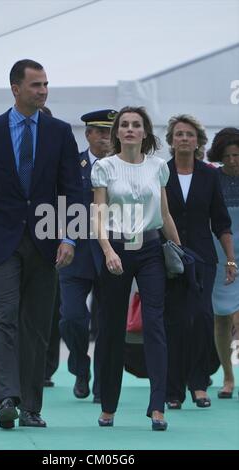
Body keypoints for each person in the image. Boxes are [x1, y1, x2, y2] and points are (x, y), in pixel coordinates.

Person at [0, 59, 83, 429]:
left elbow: (71, 189)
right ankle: (7, 398)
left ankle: (31, 406)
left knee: (37, 325)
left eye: (46, 84)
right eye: (36, 85)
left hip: (46, 243)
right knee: (4, 319)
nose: (43, 91)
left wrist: (70, 236)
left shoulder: (59, 132)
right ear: (16, 89)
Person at [91, 106, 180, 431]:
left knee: (155, 325)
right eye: (124, 125)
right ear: (117, 132)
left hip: (151, 248)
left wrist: (179, 251)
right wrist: (106, 251)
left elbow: (166, 214)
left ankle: (158, 407)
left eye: (136, 125)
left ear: (145, 132)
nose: (130, 129)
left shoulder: (158, 167)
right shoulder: (104, 167)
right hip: (116, 246)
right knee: (112, 327)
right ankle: (108, 407)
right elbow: (98, 214)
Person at [164, 115, 236, 410]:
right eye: (179, 134)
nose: (184, 138)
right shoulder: (160, 173)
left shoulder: (209, 176)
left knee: (203, 319)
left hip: (203, 259)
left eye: (189, 134)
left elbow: (221, 221)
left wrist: (230, 260)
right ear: (171, 140)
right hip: (167, 257)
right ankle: (173, 389)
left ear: (198, 141)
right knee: (174, 323)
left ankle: (198, 384)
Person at [59, 109, 117, 403]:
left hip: (114, 254)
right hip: (76, 252)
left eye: (110, 131)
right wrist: (63, 239)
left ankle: (103, 384)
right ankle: (81, 366)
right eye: (100, 131)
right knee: (71, 317)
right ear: (88, 134)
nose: (106, 137)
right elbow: (61, 203)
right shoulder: (73, 165)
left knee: (108, 323)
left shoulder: (126, 165)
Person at [207, 127, 239, 399]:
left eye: (237, 155)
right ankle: (227, 377)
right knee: (221, 317)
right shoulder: (211, 178)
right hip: (220, 252)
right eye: (227, 155)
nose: (232, 160)